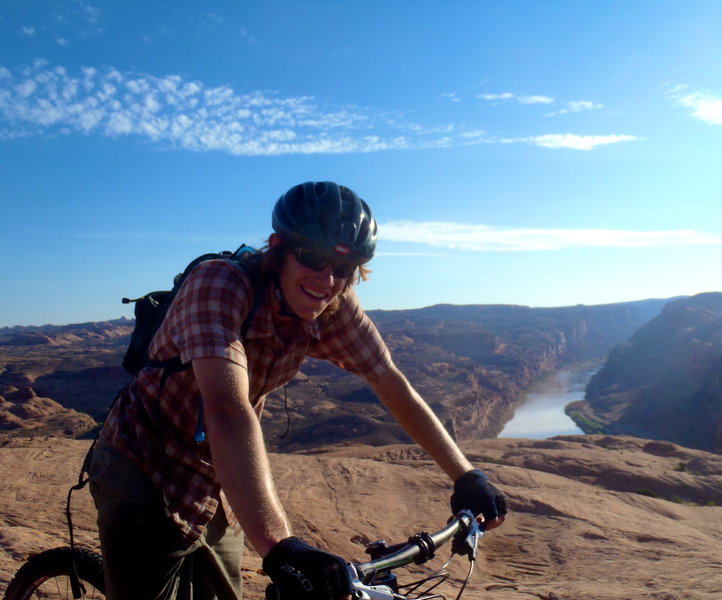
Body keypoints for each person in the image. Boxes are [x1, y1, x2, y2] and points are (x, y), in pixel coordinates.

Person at [88, 181, 507, 600]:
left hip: (217, 472)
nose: (326, 279)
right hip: (143, 459)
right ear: (278, 248)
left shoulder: (334, 304)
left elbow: (391, 382)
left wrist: (467, 476)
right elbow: (228, 409)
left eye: (342, 268)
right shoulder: (220, 285)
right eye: (312, 257)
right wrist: (281, 547)